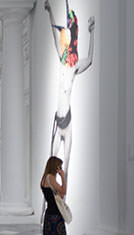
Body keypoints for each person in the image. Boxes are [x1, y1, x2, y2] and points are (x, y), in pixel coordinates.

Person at [45, 0, 95, 178]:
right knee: (50, 165)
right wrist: (50, 11)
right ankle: (46, 203)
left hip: (68, 121)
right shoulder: (61, 60)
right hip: (58, 121)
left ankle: (62, 204)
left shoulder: (74, 67)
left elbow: (89, 60)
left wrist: (92, 32)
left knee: (66, 165)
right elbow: (53, 34)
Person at [41, 156, 68, 235]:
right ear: (54, 166)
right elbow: (63, 191)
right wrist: (63, 176)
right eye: (59, 166)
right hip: (54, 215)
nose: (60, 169)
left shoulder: (44, 177)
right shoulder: (51, 177)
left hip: (49, 214)